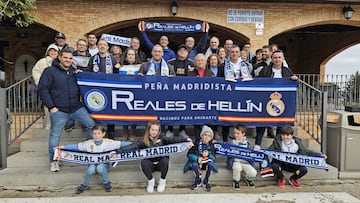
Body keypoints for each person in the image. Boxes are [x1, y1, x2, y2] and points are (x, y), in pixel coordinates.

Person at [38, 47, 95, 172]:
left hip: (76, 108)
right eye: (65, 58)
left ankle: (89, 152)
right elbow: (43, 90)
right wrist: (51, 107)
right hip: (59, 110)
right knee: (55, 136)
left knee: (91, 124)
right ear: (59, 57)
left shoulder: (74, 72)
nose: (68, 60)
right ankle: (54, 161)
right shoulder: (50, 71)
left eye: (70, 58)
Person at [118, 120, 192, 193]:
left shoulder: (162, 138)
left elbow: (173, 139)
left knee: (165, 160)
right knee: (144, 162)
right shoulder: (143, 140)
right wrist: (118, 151)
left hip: (161, 163)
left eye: (156, 130)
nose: (154, 132)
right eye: (152, 130)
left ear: (159, 131)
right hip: (150, 164)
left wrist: (186, 140)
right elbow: (132, 146)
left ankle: (162, 181)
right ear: (148, 130)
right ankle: (151, 181)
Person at [56, 125, 132, 194]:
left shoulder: (109, 143)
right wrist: (63, 147)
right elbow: (76, 147)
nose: (97, 136)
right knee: (90, 170)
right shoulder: (88, 143)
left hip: (104, 164)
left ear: (103, 134)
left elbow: (122, 144)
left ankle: (107, 183)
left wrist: (136, 144)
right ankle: (84, 185)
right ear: (92, 135)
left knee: (100, 168)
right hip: (92, 163)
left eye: (99, 133)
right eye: (95, 134)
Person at [255, 49, 298, 148]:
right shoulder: (265, 70)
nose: (277, 59)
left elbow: (293, 87)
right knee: (262, 123)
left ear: (283, 59)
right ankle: (257, 145)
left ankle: (277, 146)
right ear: (272, 59)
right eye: (275, 57)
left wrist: (294, 80)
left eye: (279, 57)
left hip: (281, 102)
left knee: (281, 125)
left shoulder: (287, 71)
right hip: (266, 101)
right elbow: (258, 83)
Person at [88, 39, 118, 139]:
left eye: (104, 45)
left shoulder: (112, 59)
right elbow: (88, 72)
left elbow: (117, 73)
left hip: (110, 89)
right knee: (98, 110)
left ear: (107, 47)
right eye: (100, 44)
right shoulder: (93, 59)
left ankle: (111, 132)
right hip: (97, 90)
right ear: (97, 46)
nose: (102, 46)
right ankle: (98, 132)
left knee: (110, 110)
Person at [165, 44, 195, 138]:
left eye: (184, 50)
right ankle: (170, 129)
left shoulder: (191, 63)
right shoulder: (170, 62)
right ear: (177, 52)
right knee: (171, 109)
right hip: (172, 91)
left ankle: (182, 129)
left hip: (186, 92)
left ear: (187, 53)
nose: (182, 52)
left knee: (184, 110)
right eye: (180, 50)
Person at [32, 44, 59, 130]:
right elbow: (35, 71)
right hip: (47, 88)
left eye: (55, 51)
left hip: (57, 88)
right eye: (51, 51)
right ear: (48, 52)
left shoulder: (60, 62)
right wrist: (40, 82)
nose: (53, 52)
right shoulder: (42, 62)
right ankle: (48, 125)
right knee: (48, 107)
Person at [184, 125, 217, 192]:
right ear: (201, 136)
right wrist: (197, 158)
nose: (207, 137)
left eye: (209, 136)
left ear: (211, 138)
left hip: (206, 163)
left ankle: (205, 181)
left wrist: (209, 154)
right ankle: (198, 181)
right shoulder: (196, 143)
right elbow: (189, 154)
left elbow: (214, 158)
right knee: (194, 165)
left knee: (211, 164)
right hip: (197, 162)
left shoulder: (211, 145)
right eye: (205, 135)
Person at [226, 124, 257, 190]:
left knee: (253, 172)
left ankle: (248, 179)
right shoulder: (231, 142)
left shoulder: (248, 143)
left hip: (246, 162)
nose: (236, 135)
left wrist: (256, 149)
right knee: (237, 168)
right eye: (234, 133)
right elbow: (224, 148)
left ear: (243, 134)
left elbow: (252, 152)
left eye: (238, 133)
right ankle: (236, 181)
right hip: (236, 161)